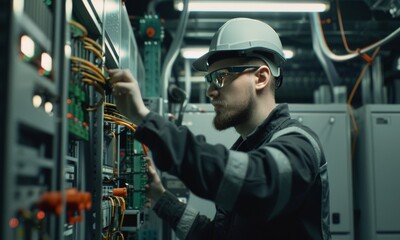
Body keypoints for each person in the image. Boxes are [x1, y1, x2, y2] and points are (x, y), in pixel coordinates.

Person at [108, 18, 331, 240]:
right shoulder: (246, 151)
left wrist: (146, 118)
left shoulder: (299, 145)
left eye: (221, 77)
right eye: (209, 79)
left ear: (261, 78)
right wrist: (160, 197)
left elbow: (258, 182)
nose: (210, 91)